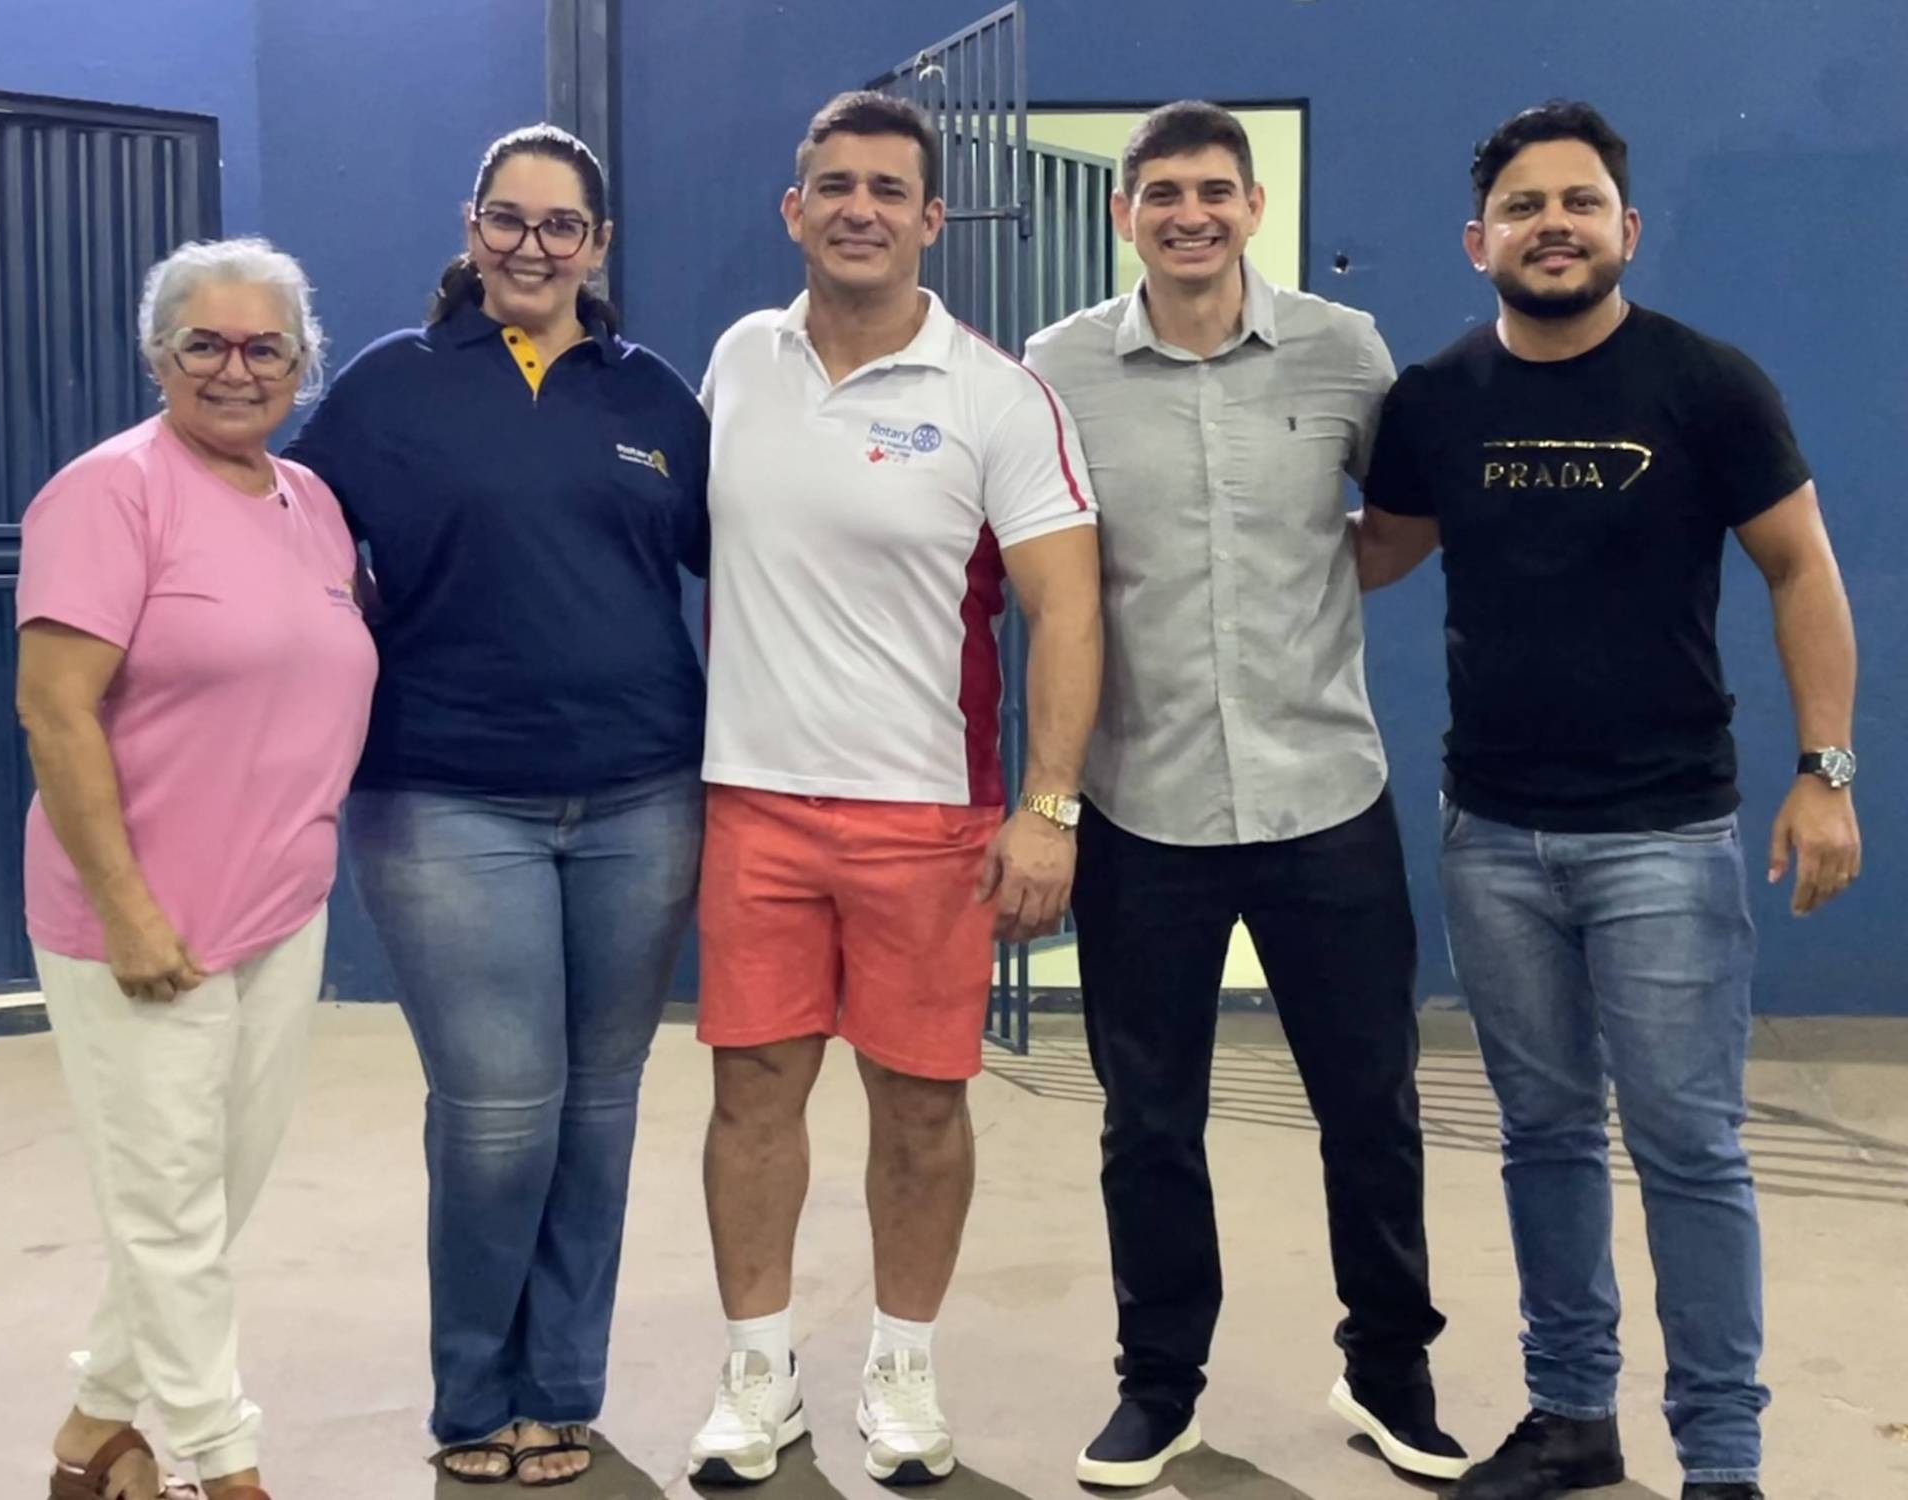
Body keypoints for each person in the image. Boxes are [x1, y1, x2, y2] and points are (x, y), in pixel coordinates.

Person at [1358, 101, 1861, 1500]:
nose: (1553, 225)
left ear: (1626, 230)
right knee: (1544, 1136)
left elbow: (1803, 571)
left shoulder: (1706, 386)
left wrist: (1825, 773)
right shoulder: (1438, 401)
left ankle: (1724, 1458)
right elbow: (1374, 554)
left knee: (1688, 1145)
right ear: (1478, 243)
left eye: (1580, 202)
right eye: (1524, 207)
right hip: (1492, 835)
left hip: (1665, 837)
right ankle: (1573, 1415)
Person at [1024, 101, 1465, 1488]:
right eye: (1163, 194)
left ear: (1255, 207)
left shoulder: (1345, 353)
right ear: (1125, 215)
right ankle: (1161, 1387)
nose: (1190, 214)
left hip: (1324, 795)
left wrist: (1302, 598)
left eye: (1216, 191)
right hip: (1140, 810)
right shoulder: (1061, 369)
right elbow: (1053, 574)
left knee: (1372, 1106)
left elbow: (1396, 525)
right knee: (1148, 1121)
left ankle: (1390, 1374)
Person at [683, 91, 1102, 1486]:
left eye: (889, 189)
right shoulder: (738, 361)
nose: (859, 207)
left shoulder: (996, 396)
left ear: (933, 218)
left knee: (921, 1107)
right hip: (750, 800)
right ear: (794, 209)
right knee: (753, 1094)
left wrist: (1048, 807)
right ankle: (758, 1376)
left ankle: (903, 1371)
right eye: (833, 185)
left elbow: (1068, 610)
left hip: (929, 816)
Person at [284, 124, 711, 1486]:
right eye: (509, 220)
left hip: (642, 794)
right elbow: (282, 535)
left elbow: (753, 566)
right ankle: (474, 1394)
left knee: (599, 1104)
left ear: (599, 244)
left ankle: (561, 1388)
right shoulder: (385, 391)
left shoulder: (655, 403)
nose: (534, 247)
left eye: (562, 225)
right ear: (472, 229)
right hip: (444, 798)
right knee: (500, 1110)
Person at [21, 237, 373, 1500]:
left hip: (279, 907)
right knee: (171, 1213)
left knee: (206, 1203)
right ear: (159, 357)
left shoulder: (311, 504)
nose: (236, 369)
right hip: (141, 922)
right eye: (204, 345)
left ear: (301, 362)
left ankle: (93, 1435)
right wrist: (125, 910)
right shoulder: (107, 493)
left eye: (263, 345)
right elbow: (56, 710)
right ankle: (225, 1468)